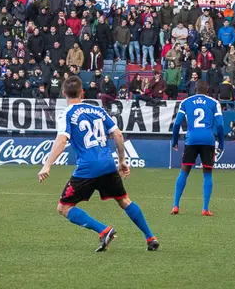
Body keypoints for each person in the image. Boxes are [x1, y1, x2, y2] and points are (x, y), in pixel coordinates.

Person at [38, 76, 159, 252]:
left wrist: (47, 164)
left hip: (87, 168)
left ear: (63, 93)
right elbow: (118, 135)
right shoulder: (98, 110)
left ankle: (104, 231)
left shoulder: (67, 114)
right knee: (124, 200)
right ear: (82, 92)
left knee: (64, 207)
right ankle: (150, 237)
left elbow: (62, 140)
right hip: (108, 164)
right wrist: (122, 161)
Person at [170, 80, 224, 216]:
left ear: (195, 89)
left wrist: (174, 140)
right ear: (207, 89)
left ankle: (175, 206)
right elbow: (220, 125)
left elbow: (176, 124)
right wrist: (222, 142)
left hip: (191, 140)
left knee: (184, 171)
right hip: (208, 140)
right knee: (207, 173)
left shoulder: (186, 102)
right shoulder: (214, 102)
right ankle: (205, 208)